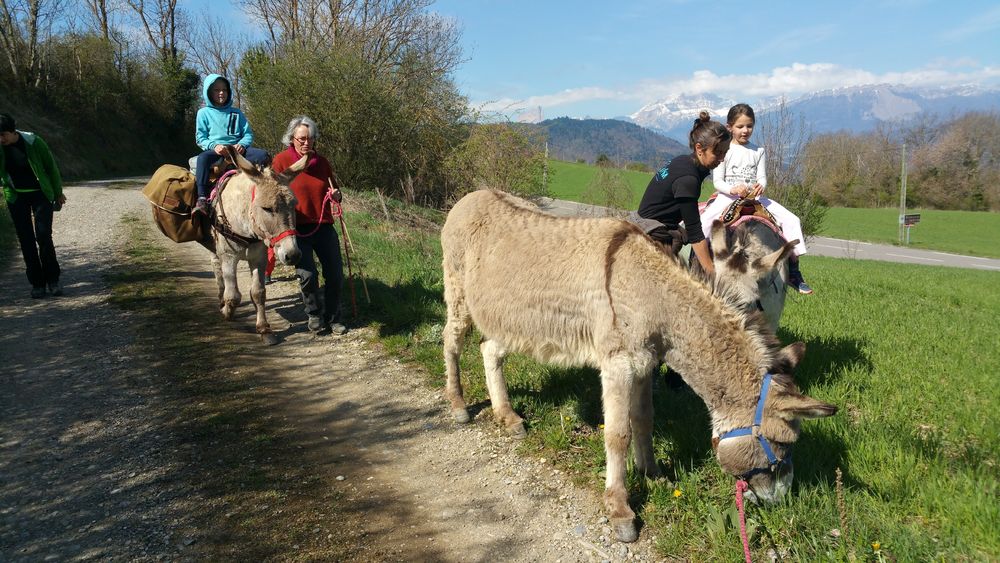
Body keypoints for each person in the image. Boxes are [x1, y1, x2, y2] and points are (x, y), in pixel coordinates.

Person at [706, 103, 813, 294]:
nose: (745, 130)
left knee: (792, 220)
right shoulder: (724, 149)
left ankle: (794, 271)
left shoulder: (758, 151)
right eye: (740, 126)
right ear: (729, 126)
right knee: (704, 223)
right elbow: (717, 181)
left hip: (755, 198)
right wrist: (733, 189)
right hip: (728, 197)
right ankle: (702, 264)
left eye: (749, 126)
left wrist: (760, 186)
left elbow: (762, 178)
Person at [271, 116, 346, 335]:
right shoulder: (282, 162)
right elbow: (273, 195)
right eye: (302, 138)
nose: (306, 143)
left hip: (323, 225)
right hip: (296, 229)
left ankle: (334, 317)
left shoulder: (322, 163)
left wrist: (336, 196)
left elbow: (334, 189)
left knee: (335, 274)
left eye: (310, 138)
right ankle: (314, 313)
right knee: (308, 275)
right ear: (292, 139)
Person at [637, 111, 731, 275]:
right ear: (699, 149)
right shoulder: (688, 179)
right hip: (653, 232)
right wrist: (712, 271)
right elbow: (695, 232)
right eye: (717, 153)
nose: (722, 158)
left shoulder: (683, 160)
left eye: (725, 152)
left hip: (646, 221)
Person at [1, 113, 65, 298]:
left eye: (3, 134)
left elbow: (51, 168)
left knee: (44, 236)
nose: (1, 139)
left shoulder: (34, 143)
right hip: (16, 198)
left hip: (41, 195)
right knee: (25, 240)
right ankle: (37, 284)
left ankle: (53, 280)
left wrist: (58, 193)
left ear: (13, 131)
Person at [193, 73, 269, 214]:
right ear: (209, 92)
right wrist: (214, 146)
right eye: (216, 90)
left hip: (237, 150)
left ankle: (265, 189)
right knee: (202, 159)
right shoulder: (203, 113)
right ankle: (202, 197)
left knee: (264, 155)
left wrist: (242, 144)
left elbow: (247, 134)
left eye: (224, 90)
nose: (221, 93)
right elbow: (201, 137)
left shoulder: (236, 113)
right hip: (217, 151)